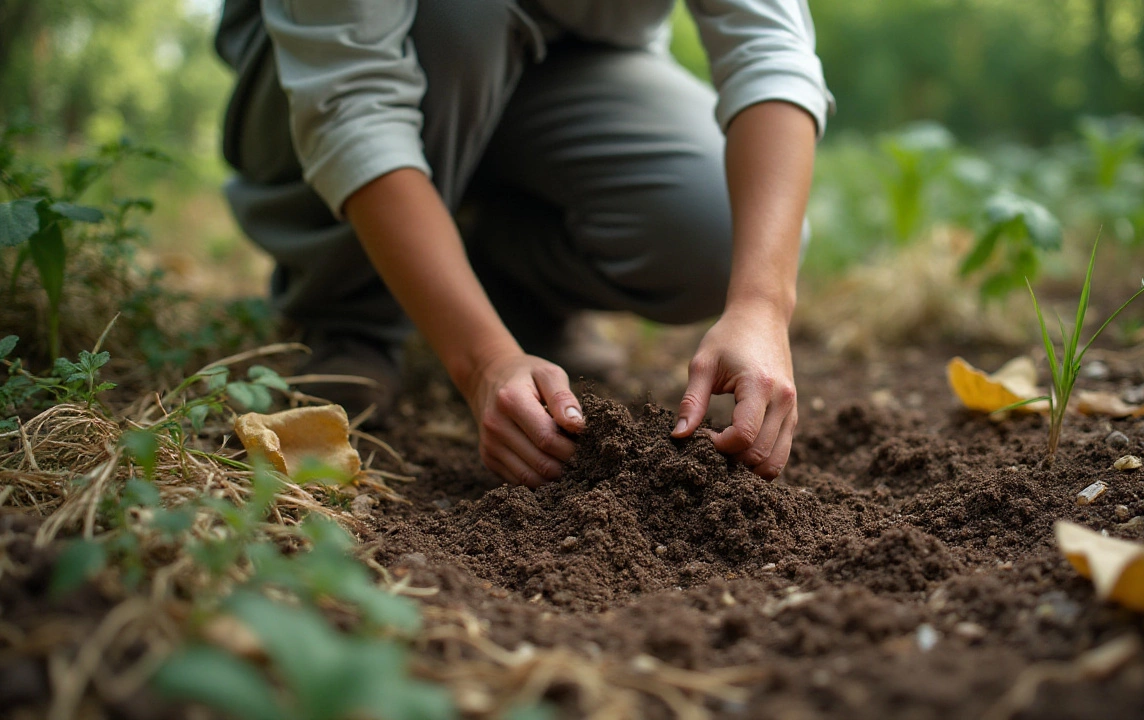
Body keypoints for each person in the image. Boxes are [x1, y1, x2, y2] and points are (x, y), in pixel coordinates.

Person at [213, 0, 832, 487]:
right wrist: (481, 362)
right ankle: (353, 313)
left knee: (714, 231)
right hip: (349, 65)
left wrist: (760, 304)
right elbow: (351, 103)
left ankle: (511, 288)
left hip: (564, 75)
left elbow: (769, 49)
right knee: (462, 14)